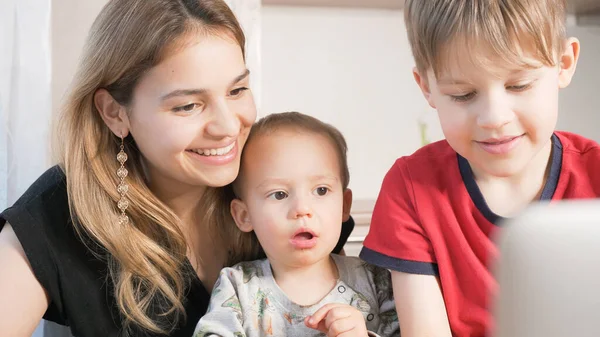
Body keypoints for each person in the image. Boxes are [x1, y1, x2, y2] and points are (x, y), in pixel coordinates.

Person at [0, 1, 354, 336]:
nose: (228, 127)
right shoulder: (59, 211)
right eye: (187, 106)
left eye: (237, 90)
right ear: (114, 112)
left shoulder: (282, 184)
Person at [359, 0, 600, 336]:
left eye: (518, 86)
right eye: (463, 94)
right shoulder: (412, 187)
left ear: (564, 63)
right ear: (426, 87)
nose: (495, 118)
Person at [193, 112, 399, 337]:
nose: (302, 209)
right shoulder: (237, 288)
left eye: (321, 190)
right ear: (244, 215)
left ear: (344, 205)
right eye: (279, 194)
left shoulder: (375, 279)